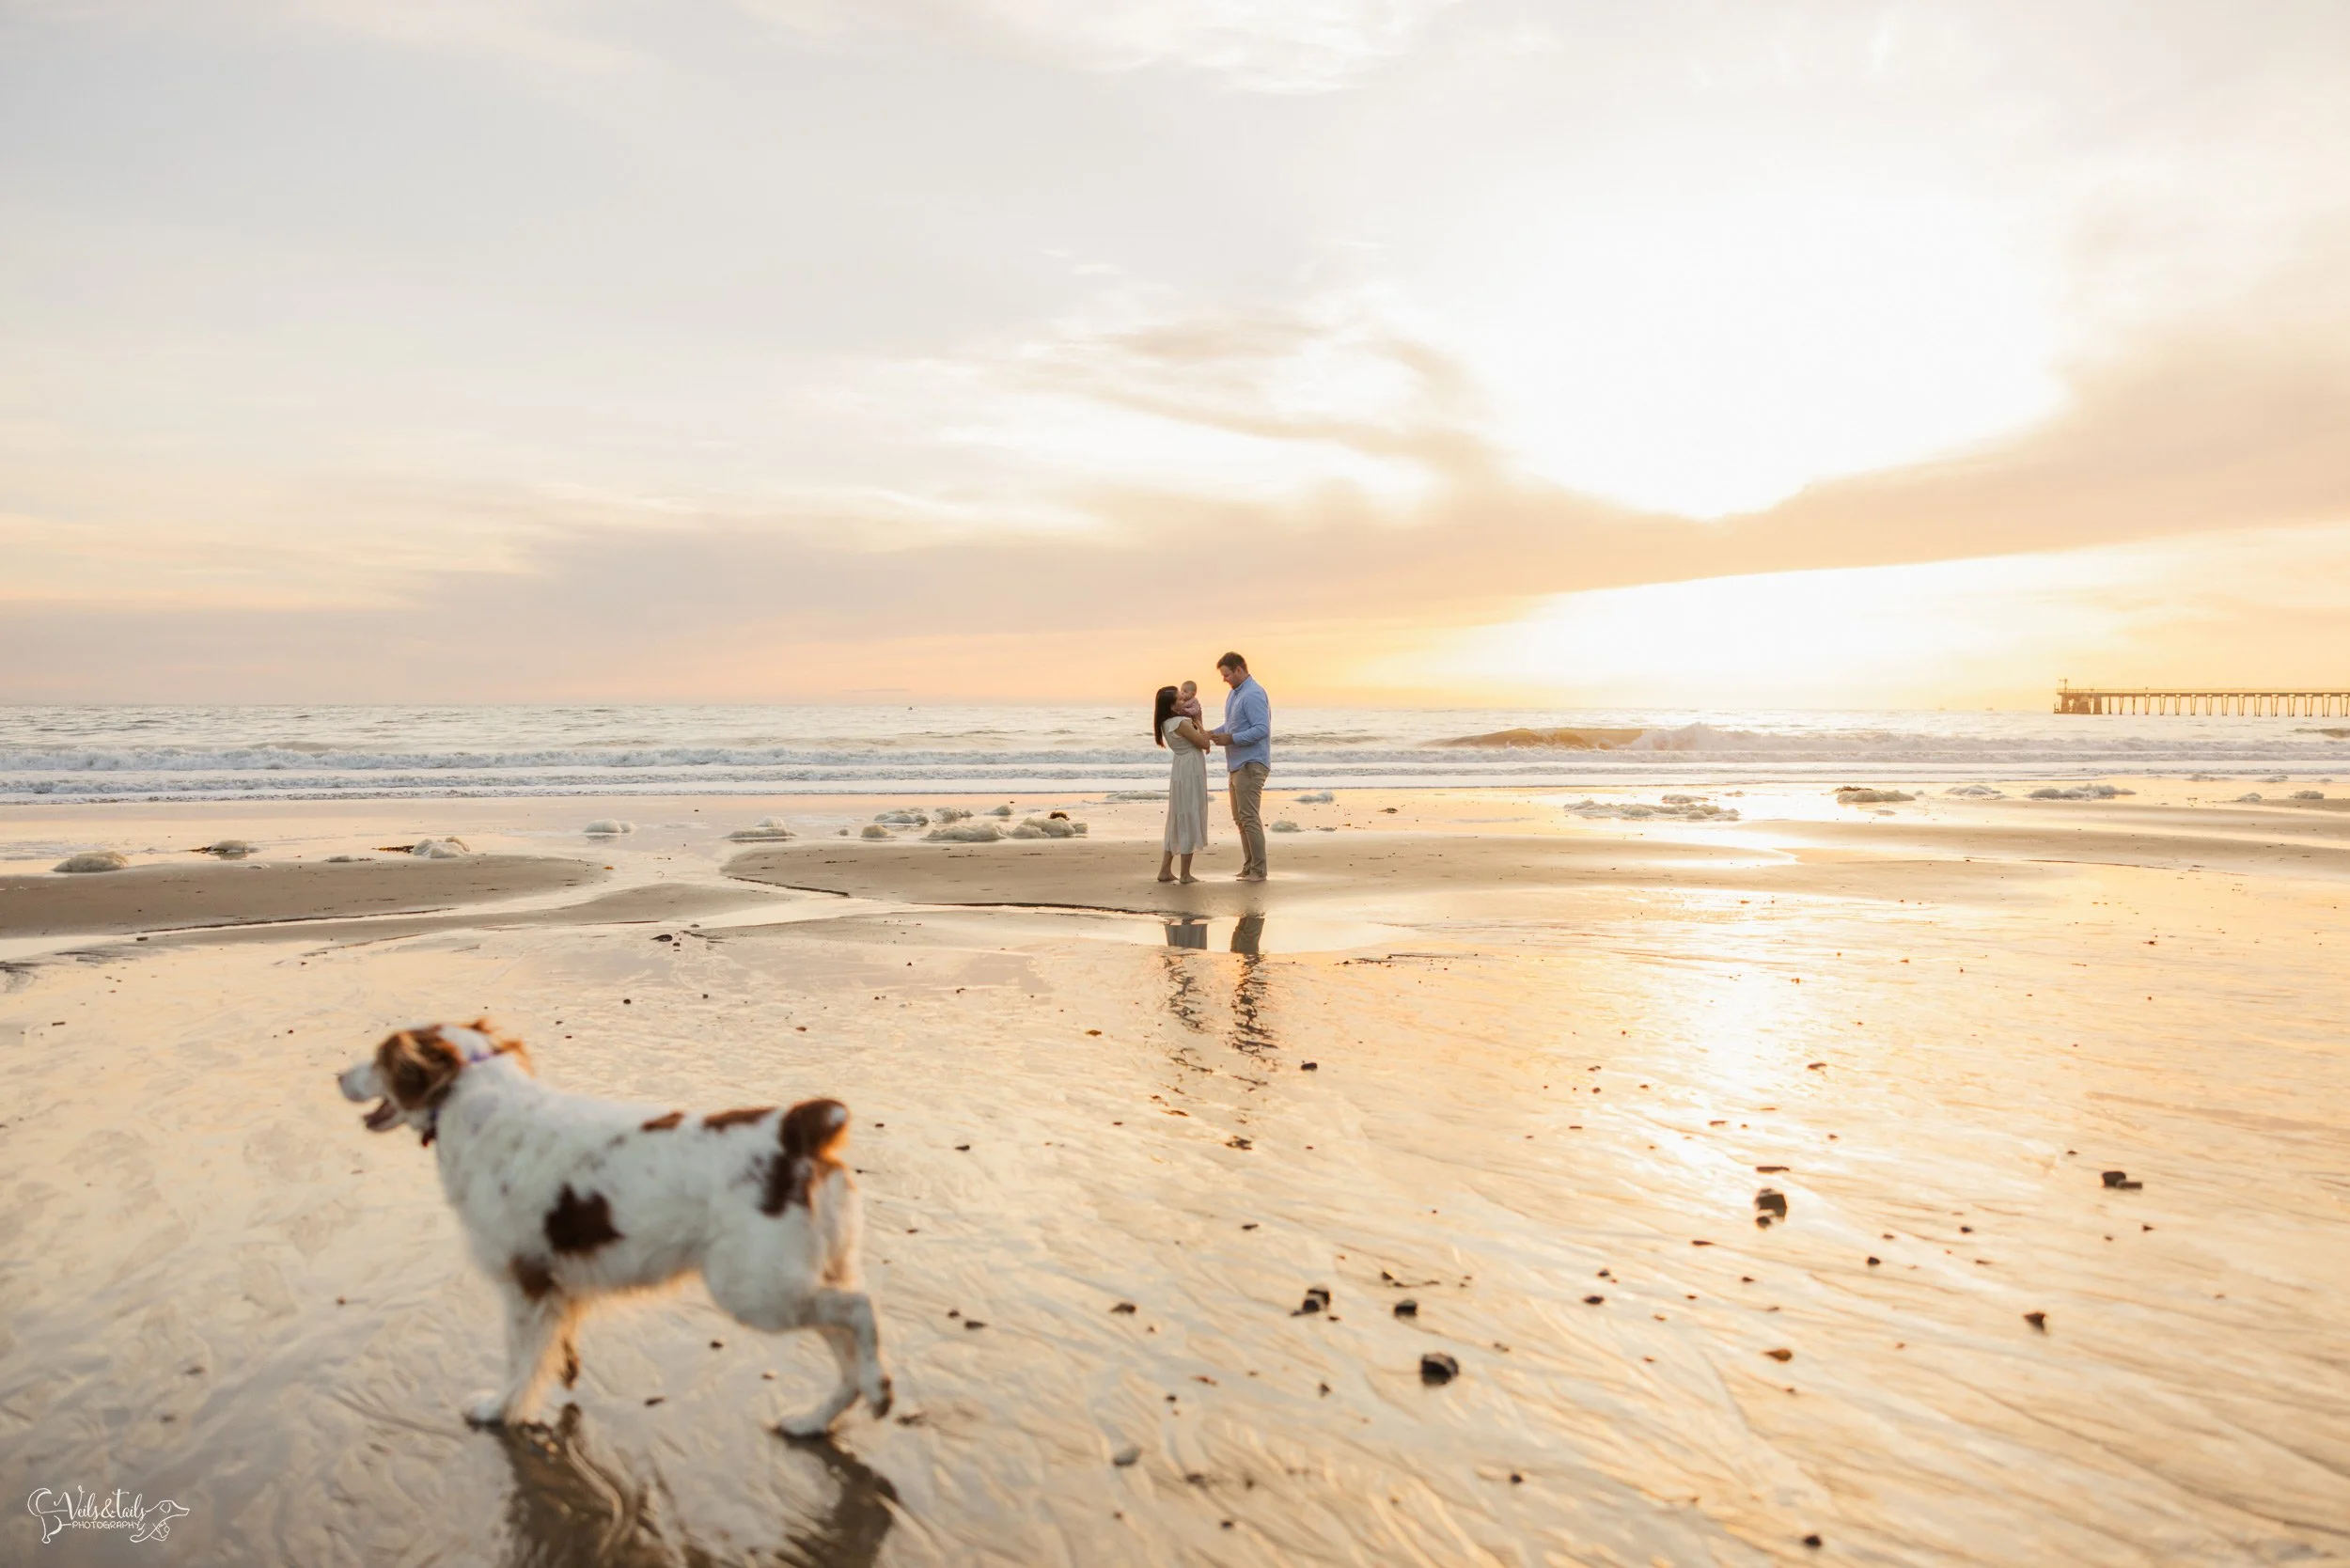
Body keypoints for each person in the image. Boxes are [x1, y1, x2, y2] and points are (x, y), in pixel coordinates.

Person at [1207, 652, 1271, 882]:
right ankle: (1248, 866)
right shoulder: (1234, 694)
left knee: (1248, 817)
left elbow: (1261, 729)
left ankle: (1259, 870)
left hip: (1251, 763)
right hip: (1236, 764)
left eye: (1226, 675)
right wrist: (1214, 733)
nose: (1225, 679)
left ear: (1239, 670)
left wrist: (1231, 739)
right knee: (1240, 818)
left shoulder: (1253, 694)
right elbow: (1232, 724)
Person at [1153, 684, 1213, 884]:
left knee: (1179, 814)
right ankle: (1185, 874)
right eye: (1179, 700)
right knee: (1189, 813)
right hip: (1190, 768)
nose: (1184, 701)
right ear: (1171, 706)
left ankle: (1165, 870)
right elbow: (1204, 743)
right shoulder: (1180, 722)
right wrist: (1199, 720)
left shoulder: (1166, 723)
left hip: (1181, 767)